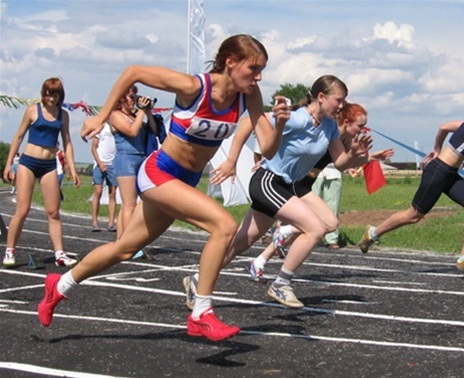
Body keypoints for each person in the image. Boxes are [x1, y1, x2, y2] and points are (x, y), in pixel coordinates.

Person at [36, 34, 290, 342]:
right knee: (224, 225)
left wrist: (277, 126)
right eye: (253, 68)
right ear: (230, 62)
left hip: (184, 181)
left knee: (125, 249)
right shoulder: (195, 87)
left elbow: (268, 148)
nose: (259, 76)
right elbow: (133, 72)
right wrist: (101, 118)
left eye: (262, 69)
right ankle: (201, 313)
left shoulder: (248, 95)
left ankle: (58, 286)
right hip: (159, 173)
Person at [184, 76, 373, 310]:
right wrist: (231, 161)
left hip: (284, 187)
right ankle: (281, 283)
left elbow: (341, 163)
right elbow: (247, 123)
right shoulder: (297, 118)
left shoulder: (330, 126)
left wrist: (355, 153)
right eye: (339, 100)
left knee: (241, 243)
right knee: (315, 228)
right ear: (321, 97)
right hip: (267, 181)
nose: (342, 106)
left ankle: (196, 280)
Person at [241, 103, 394, 285]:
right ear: (346, 122)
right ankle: (283, 233)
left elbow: (344, 163)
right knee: (328, 223)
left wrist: (371, 157)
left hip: (305, 183)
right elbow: (292, 146)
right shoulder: (327, 133)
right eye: (360, 126)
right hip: (296, 183)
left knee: (315, 227)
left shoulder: (342, 140)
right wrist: (269, 163)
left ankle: (260, 260)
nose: (362, 130)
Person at [357, 101, 464, 273]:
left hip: (450, 174)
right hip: (438, 172)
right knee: (414, 216)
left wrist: (436, 149)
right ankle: (372, 233)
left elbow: (444, 127)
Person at [2, 77, 81, 268]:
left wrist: (72, 167)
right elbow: (19, 136)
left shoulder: (63, 115)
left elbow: (67, 142)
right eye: (47, 93)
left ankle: (60, 254)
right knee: (23, 209)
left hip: (49, 165)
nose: (50, 97)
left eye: (54, 94)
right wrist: (8, 163)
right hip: (28, 162)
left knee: (53, 212)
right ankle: (10, 251)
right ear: (43, 93)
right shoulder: (32, 110)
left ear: (60, 96)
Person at [108, 85, 156, 238]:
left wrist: (148, 112)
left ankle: (121, 241)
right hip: (125, 159)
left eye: (136, 97)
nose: (134, 101)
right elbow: (132, 131)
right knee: (130, 204)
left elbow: (154, 130)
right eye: (131, 98)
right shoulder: (115, 115)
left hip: (140, 158)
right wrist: (141, 111)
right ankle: (130, 243)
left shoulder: (136, 116)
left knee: (127, 205)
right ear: (121, 99)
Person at [90, 122, 118, 232]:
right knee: (98, 191)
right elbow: (93, 148)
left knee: (112, 193)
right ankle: (94, 222)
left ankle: (111, 223)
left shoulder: (118, 128)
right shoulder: (101, 127)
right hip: (99, 163)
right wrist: (100, 163)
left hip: (113, 164)